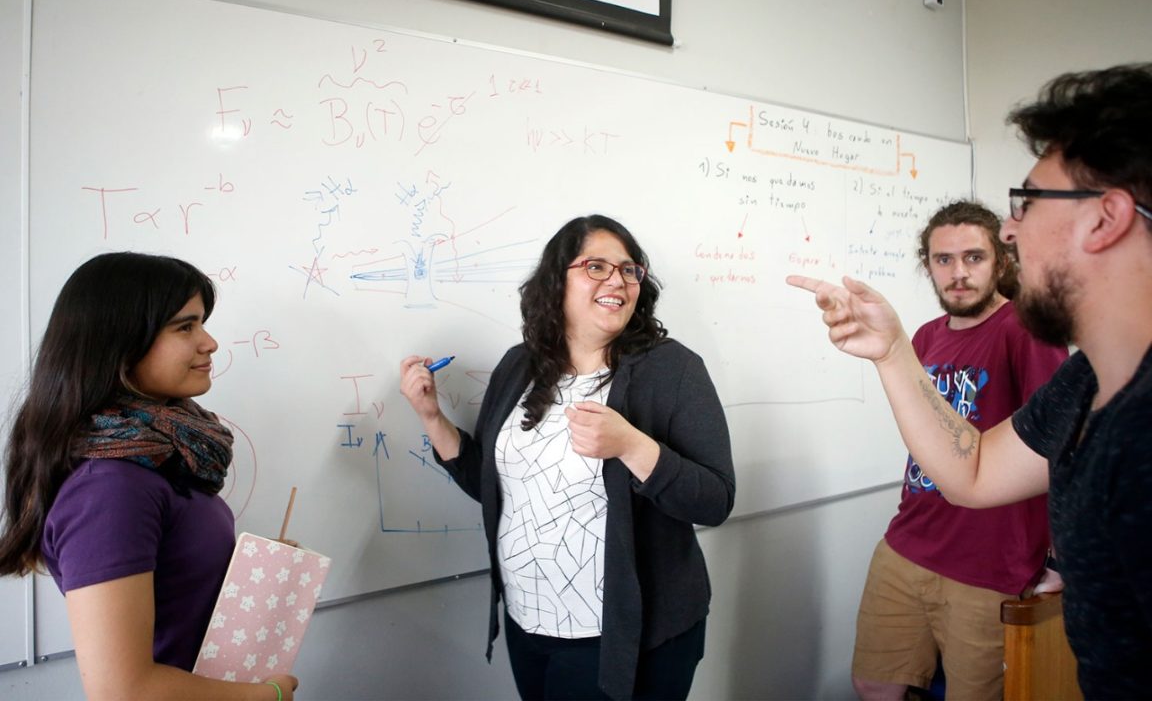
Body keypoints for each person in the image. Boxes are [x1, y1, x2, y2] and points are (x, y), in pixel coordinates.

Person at [787, 63, 1152, 698]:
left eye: (1028, 203)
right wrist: (893, 350)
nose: (1012, 230)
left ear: (1106, 219)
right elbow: (977, 470)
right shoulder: (1088, 383)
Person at [399, 214, 735, 701]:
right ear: (557, 280)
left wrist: (632, 445)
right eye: (596, 267)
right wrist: (432, 417)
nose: (617, 280)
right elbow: (492, 486)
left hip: (626, 635)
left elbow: (715, 501)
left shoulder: (672, 369)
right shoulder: (521, 364)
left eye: (628, 269)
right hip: (528, 621)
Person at [0, 252, 298, 701]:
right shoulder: (109, 488)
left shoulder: (160, 459)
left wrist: (257, 575)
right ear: (120, 343)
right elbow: (122, 690)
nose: (209, 342)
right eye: (185, 326)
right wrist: (267, 695)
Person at [850, 201, 1067, 701]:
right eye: (944, 260)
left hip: (990, 564)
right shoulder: (925, 337)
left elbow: (1064, 445)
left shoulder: (1024, 329)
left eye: (973, 257)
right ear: (928, 266)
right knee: (874, 682)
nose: (959, 273)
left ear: (1001, 262)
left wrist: (1061, 558)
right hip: (908, 543)